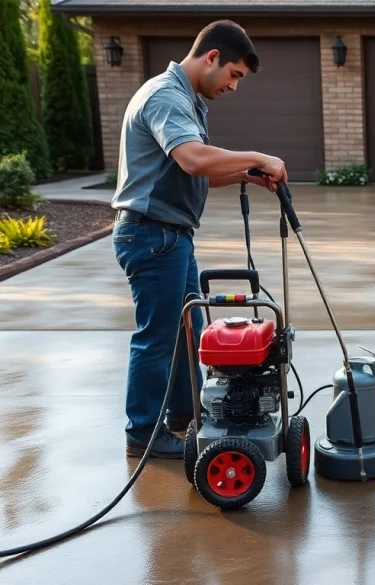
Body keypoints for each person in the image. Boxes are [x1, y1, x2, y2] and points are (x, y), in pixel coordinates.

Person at [112, 20, 287, 458]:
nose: (233, 87)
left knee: (188, 333)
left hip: (170, 237)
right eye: (234, 75)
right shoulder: (166, 97)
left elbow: (194, 172)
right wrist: (260, 156)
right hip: (152, 237)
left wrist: (246, 174)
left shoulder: (188, 100)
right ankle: (144, 434)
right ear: (212, 57)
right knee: (158, 337)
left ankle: (184, 417)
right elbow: (192, 159)